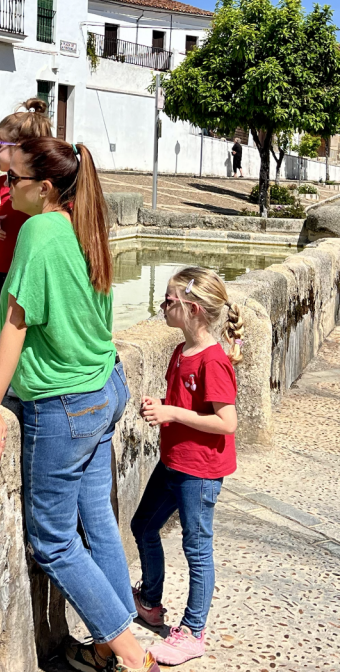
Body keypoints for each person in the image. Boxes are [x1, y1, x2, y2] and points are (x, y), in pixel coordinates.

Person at [0, 137, 157, 672]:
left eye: (16, 182)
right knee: (96, 517)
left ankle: (129, 650)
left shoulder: (40, 230)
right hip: (104, 386)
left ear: (45, 188)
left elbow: (15, 321)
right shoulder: (86, 224)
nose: (8, 190)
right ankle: (110, 638)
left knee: (51, 540)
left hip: (65, 403)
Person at [130, 267, 242, 666]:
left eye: (169, 301)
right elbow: (182, 405)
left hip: (201, 470)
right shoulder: (182, 351)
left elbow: (226, 422)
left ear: (193, 309)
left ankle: (193, 631)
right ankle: (150, 600)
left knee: (197, 548)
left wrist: (172, 412)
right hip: (174, 462)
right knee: (142, 526)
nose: (163, 306)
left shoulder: (213, 362)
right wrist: (162, 408)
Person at [0, 98, 52, 345]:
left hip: (23, 266)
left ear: (19, 148)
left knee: (20, 319)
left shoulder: (35, 191)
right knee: (0, 315)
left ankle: (13, 368)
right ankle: (0, 361)